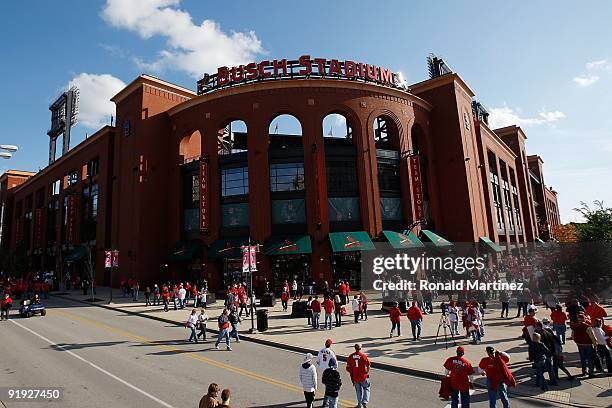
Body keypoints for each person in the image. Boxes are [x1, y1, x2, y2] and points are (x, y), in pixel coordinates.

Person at [570, 312, 595, 377]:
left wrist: (577, 342)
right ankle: (591, 373)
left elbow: (572, 336)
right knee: (590, 359)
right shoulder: (588, 327)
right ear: (584, 319)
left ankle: (584, 371)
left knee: (583, 358)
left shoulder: (574, 326)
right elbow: (592, 336)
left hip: (580, 344)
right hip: (588, 344)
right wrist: (595, 344)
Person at [346, 344, 371, 408]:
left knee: (358, 391)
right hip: (363, 377)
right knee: (366, 388)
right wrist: (367, 371)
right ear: (360, 348)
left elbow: (348, 367)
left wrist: (353, 372)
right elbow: (368, 365)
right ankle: (364, 402)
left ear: (355, 348)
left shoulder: (351, 356)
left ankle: (360, 404)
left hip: (355, 377)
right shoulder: (363, 356)